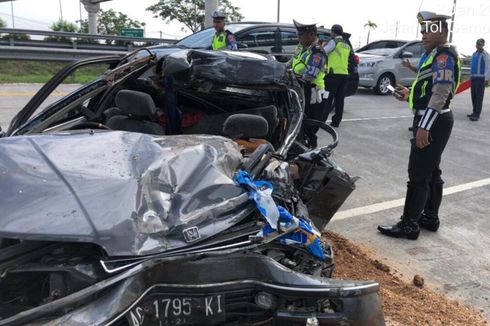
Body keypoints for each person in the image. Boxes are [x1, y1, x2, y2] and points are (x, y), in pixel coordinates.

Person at [377, 11, 461, 240]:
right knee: (431, 170)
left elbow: (441, 93)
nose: (423, 34)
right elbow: (428, 88)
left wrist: (424, 127)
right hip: (436, 118)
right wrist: (408, 94)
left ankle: (409, 225)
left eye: (429, 30)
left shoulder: (443, 56)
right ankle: (430, 218)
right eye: (423, 30)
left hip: (433, 120)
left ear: (442, 31)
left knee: (418, 174)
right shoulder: (435, 55)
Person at [288, 19, 327, 148]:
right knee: (297, 124)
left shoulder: (317, 52)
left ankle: (310, 150)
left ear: (311, 34)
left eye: (300, 35)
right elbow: (290, 63)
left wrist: (291, 77)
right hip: (299, 91)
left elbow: (309, 76)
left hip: (311, 95)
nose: (298, 37)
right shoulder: (301, 48)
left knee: (308, 126)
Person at [322, 24, 351, 128]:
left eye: (331, 32)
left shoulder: (334, 42)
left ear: (333, 32)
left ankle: (322, 120)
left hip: (333, 74)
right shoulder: (346, 44)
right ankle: (336, 122)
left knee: (327, 98)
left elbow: (323, 51)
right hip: (344, 74)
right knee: (340, 99)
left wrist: (323, 45)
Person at [402, 50, 431, 131]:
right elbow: (418, 70)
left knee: (425, 106)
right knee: (417, 105)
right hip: (420, 85)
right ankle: (416, 124)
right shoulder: (424, 55)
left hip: (427, 87)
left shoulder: (434, 56)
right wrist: (409, 66)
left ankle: (422, 126)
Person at [467, 38, 490, 121]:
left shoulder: (485, 54)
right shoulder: (474, 54)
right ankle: (474, 112)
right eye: (477, 44)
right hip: (473, 78)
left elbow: (488, 66)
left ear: (483, 45)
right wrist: (471, 75)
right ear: (476, 44)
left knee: (479, 97)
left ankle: (477, 114)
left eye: (480, 44)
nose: (478, 45)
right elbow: (473, 65)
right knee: (474, 96)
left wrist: (487, 79)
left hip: (481, 79)